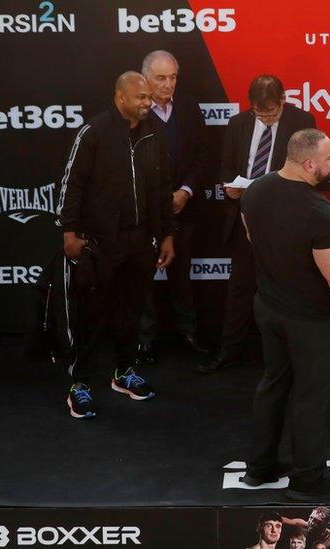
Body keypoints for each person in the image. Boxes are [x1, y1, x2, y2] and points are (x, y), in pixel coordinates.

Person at [238, 129, 330, 499]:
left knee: (272, 384)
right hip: (311, 321)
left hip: (268, 308)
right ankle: (307, 480)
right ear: (309, 163)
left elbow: (252, 236)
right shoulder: (320, 211)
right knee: (310, 398)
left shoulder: (256, 190)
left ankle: (260, 468)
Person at [57, 71, 174, 418]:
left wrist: (167, 233)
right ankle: (80, 384)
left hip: (141, 239)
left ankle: (124, 373)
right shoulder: (93, 133)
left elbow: (164, 187)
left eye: (148, 98)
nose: (146, 104)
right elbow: (71, 183)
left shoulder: (155, 132)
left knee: (132, 311)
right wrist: (69, 232)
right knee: (92, 314)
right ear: (119, 97)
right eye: (139, 98)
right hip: (101, 240)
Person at [200, 74, 316, 374]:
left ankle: (289, 357)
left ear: (283, 101)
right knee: (239, 288)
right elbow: (226, 166)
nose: (264, 119)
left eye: (271, 113)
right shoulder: (238, 124)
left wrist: (267, 190)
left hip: (284, 223)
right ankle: (230, 351)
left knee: (287, 289)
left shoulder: (302, 122)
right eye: (258, 113)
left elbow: (310, 173)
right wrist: (231, 187)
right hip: (244, 218)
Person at [136, 49, 211, 365]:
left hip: (184, 209)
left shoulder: (189, 107)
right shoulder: (135, 112)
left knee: (182, 274)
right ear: (146, 79)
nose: (168, 85)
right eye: (161, 78)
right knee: (143, 278)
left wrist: (185, 191)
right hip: (144, 214)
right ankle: (144, 341)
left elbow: (202, 156)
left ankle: (188, 333)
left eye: (173, 77)